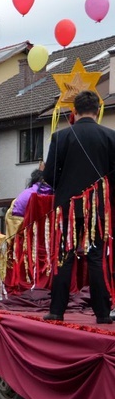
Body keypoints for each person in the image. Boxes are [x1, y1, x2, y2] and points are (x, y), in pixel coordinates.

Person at [43, 90, 115, 324]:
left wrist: (66, 190)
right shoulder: (111, 137)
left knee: (65, 256)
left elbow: (50, 176)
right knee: (96, 258)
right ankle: (103, 313)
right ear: (97, 110)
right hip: (98, 205)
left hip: (67, 207)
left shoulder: (61, 137)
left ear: (74, 111)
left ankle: (57, 310)